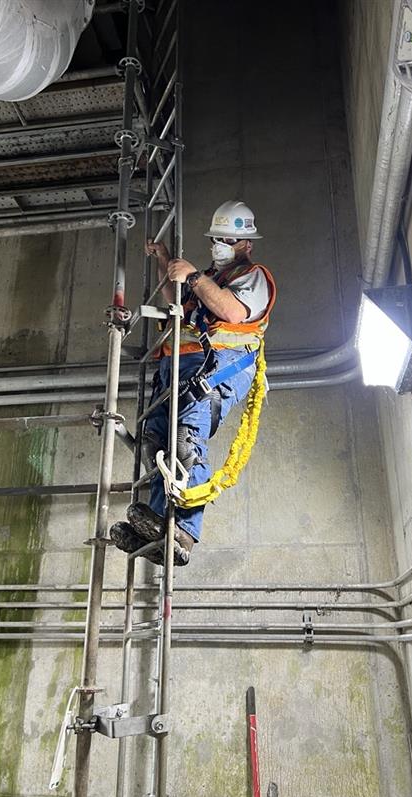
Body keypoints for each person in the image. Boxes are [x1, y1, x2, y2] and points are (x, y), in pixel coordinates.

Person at [110, 200, 276, 566]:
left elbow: (232, 312)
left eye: (228, 239)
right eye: (216, 237)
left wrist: (194, 276)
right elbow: (177, 302)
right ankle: (155, 525)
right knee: (157, 441)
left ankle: (182, 533)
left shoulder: (252, 278)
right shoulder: (209, 280)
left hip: (217, 370)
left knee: (185, 440)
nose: (219, 244)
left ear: (245, 243)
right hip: (179, 368)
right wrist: (165, 261)